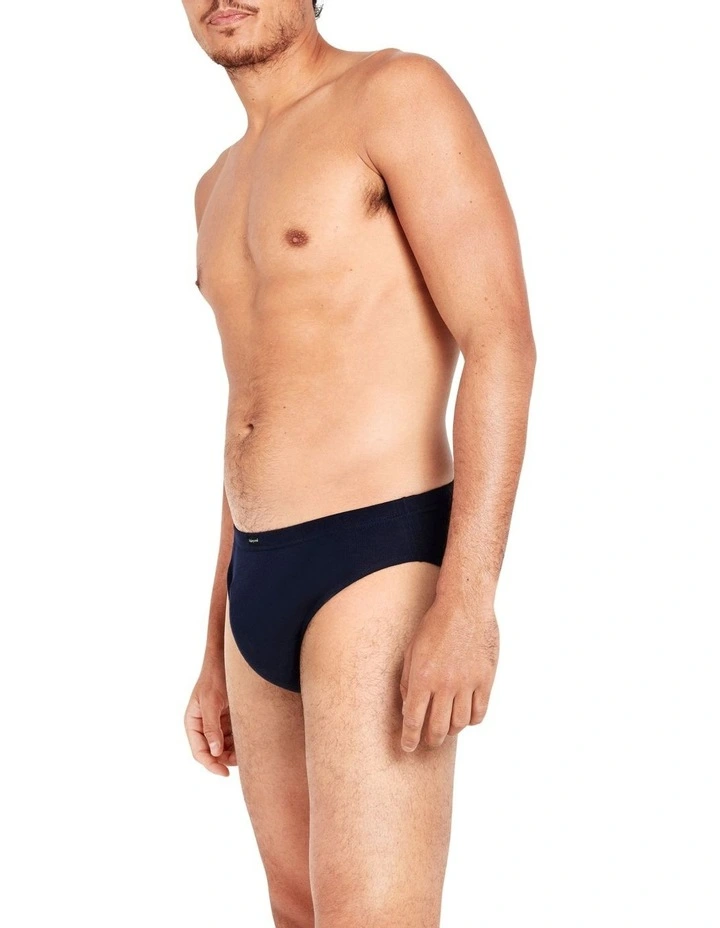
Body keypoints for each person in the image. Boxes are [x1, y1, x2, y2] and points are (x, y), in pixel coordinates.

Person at [181, 1, 535, 925]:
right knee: (296, 909)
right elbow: (249, 409)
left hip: (378, 557)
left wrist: (468, 602)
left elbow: (500, 340)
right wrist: (215, 642)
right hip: (257, 575)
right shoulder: (214, 185)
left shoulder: (395, 94)